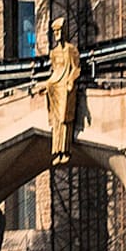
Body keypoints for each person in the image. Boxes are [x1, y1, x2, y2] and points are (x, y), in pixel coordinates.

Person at [46, 18, 82, 165]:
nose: (57, 34)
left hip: (66, 86)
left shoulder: (71, 50)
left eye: (59, 31)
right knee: (56, 121)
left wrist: (71, 81)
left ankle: (65, 149)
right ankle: (57, 151)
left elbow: (76, 69)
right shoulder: (53, 53)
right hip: (55, 86)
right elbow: (54, 70)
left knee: (64, 119)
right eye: (55, 31)